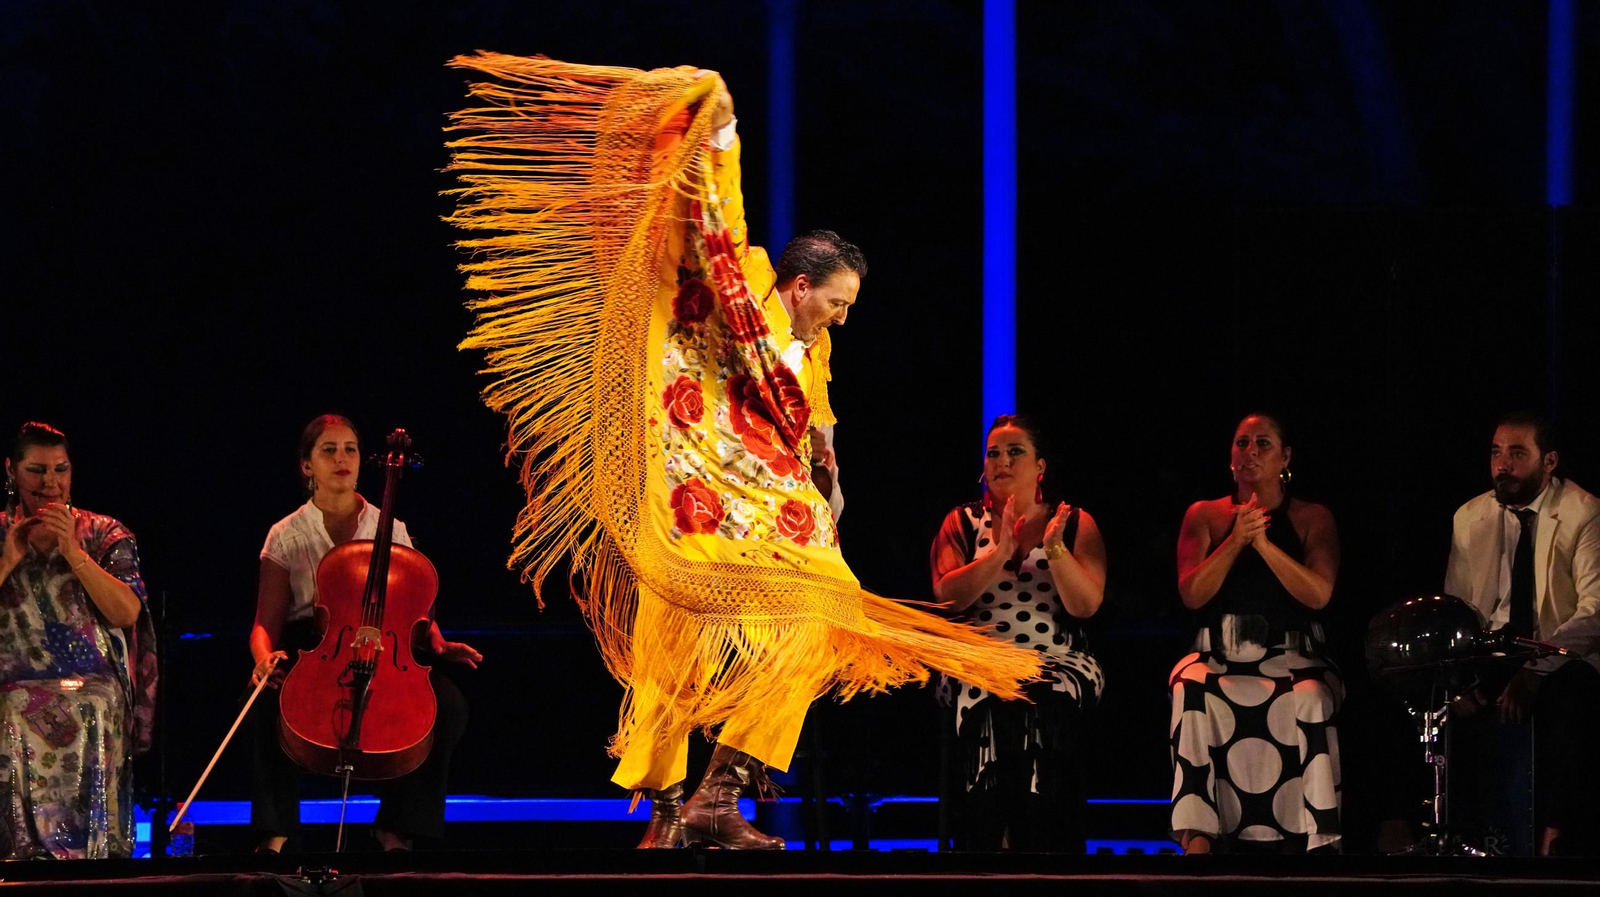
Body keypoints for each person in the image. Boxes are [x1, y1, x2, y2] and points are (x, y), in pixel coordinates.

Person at [444, 54, 1039, 850]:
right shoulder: (741, 286)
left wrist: (830, 482)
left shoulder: (813, 356)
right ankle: (663, 810)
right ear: (798, 286)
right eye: (838, 302)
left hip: (766, 513)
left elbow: (817, 434)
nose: (843, 317)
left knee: (819, 616)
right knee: (671, 638)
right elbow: (710, 222)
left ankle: (719, 793)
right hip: (689, 488)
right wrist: (714, 129)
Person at [247, 414, 480, 853]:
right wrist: (262, 659)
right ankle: (275, 833)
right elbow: (266, 621)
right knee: (260, 703)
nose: (342, 459)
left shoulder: (390, 528)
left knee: (447, 707)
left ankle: (396, 826)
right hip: (312, 646)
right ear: (307, 466)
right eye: (329, 450)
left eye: (350, 449)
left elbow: (417, 607)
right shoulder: (287, 534)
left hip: (383, 646)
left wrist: (438, 641)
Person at [931, 414, 1107, 852]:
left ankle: (1042, 835)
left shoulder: (1074, 522)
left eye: (1015, 452)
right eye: (993, 453)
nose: (1002, 461)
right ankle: (990, 835)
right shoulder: (961, 521)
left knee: (1043, 691)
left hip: (1058, 656)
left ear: (1040, 466)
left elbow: (1085, 605)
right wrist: (1001, 552)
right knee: (989, 690)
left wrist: (1054, 550)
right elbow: (947, 597)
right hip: (978, 656)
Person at [1170, 412, 1342, 854]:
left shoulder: (1311, 517)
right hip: (1219, 654)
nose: (1249, 453)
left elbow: (1319, 593)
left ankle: (1316, 838)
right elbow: (1192, 593)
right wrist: (1235, 541)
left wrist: (1263, 544)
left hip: (1292, 654)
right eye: (1241, 443)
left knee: (1309, 696)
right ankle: (1199, 837)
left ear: (1285, 456)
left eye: (1262, 444)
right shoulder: (1205, 514)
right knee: (1189, 688)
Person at [1442, 410, 1600, 856]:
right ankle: (1457, 835)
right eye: (1496, 453)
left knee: (1572, 698)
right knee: (1438, 697)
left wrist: (1536, 673)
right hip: (1495, 650)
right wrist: (1459, 680)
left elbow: (1595, 612)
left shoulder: (1584, 514)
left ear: (1549, 461)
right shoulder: (1470, 517)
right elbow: (1459, 609)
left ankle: (1557, 834)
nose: (1502, 465)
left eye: (1516, 453)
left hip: (1562, 651)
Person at [0, 422, 156, 858]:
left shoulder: (105, 532)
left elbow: (126, 612)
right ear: (11, 471)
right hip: (10, 677)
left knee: (96, 702)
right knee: (12, 705)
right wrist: (9, 559)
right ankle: (19, 854)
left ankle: (93, 855)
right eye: (36, 471)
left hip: (90, 676)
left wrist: (74, 552)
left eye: (60, 470)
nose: (50, 483)